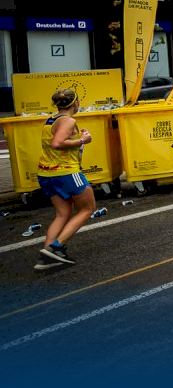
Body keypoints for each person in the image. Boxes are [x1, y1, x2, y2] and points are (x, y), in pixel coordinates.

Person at [32, 89, 96, 270]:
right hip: (66, 173)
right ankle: (56, 247)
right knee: (88, 208)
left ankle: (46, 256)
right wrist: (83, 140)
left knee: (63, 213)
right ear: (75, 103)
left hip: (46, 173)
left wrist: (78, 138)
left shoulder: (51, 120)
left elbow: (57, 141)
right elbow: (57, 143)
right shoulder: (68, 121)